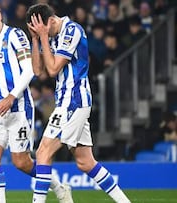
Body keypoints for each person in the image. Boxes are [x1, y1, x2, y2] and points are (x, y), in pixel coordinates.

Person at [26, 4, 131, 203]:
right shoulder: (47, 36)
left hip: (73, 100)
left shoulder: (72, 30)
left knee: (43, 152)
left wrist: (44, 38)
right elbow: (38, 70)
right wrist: (35, 38)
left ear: (50, 20)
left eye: (39, 28)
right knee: (85, 162)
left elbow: (54, 69)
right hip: (67, 101)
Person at [0, 1, 72, 203]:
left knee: (22, 162)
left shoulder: (15, 36)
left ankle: (59, 187)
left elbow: (29, 71)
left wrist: (10, 97)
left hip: (19, 108)